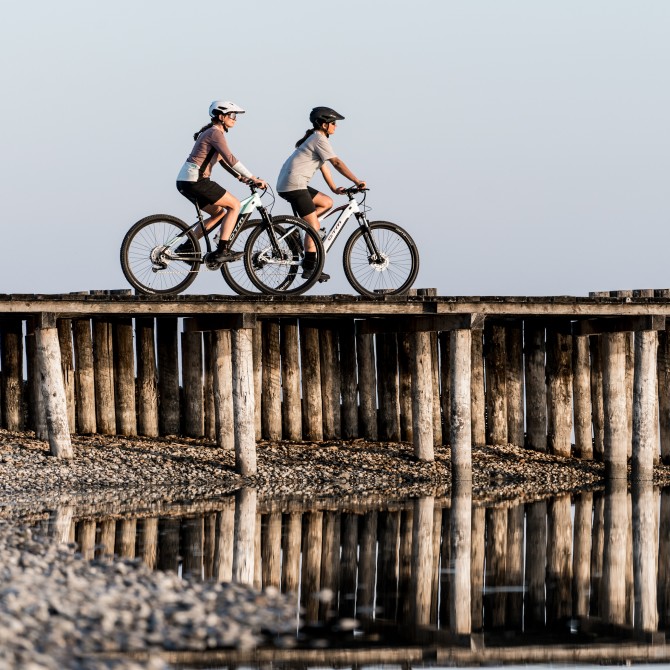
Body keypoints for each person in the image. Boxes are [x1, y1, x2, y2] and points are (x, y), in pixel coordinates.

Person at [276, 107, 366, 281]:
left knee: (326, 202)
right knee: (313, 226)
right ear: (324, 125)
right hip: (294, 185)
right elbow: (337, 163)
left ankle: (298, 227)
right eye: (333, 123)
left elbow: (324, 166)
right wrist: (357, 181)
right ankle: (310, 269)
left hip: (291, 184)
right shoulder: (319, 139)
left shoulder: (316, 139)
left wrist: (333, 188)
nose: (336, 127)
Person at [176, 100, 267, 264]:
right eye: (232, 115)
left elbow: (222, 161)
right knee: (234, 206)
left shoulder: (213, 134)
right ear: (220, 116)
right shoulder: (215, 133)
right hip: (197, 180)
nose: (235, 119)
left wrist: (241, 178)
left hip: (186, 181)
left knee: (219, 213)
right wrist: (253, 177)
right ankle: (222, 250)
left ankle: (187, 246)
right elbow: (230, 159)